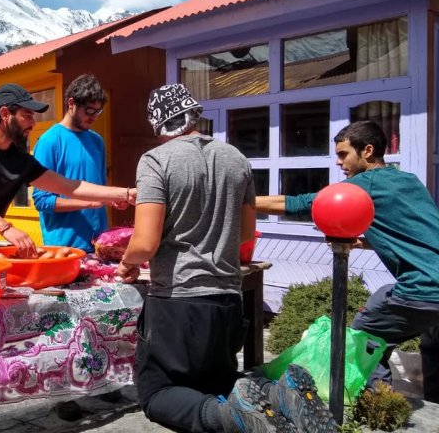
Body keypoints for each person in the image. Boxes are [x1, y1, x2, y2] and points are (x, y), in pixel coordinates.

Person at [115, 84, 334, 432]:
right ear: (194, 115)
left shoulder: (156, 160)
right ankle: (278, 396)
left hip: (178, 301)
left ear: (158, 125)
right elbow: (245, 233)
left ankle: (232, 417)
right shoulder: (236, 159)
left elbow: (144, 243)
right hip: (227, 301)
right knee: (215, 387)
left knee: (158, 394)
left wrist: (127, 263)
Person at [256, 120, 439, 403]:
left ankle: (378, 405)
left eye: (343, 154)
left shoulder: (365, 185)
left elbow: (301, 203)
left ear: (367, 151)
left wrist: (244, 201)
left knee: (364, 337)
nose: (339, 162)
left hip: (422, 288)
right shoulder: (408, 181)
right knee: (433, 343)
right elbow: (416, 233)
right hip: (433, 288)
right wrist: (365, 242)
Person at [0, 83, 136, 259]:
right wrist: (5, 228)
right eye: (27, 115)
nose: (33, 123)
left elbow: (71, 186)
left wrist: (125, 193)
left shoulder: (20, 160)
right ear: (5, 113)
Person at [32, 74, 112, 253]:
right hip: (64, 248)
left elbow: (100, 189)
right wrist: (88, 203)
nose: (94, 117)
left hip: (100, 244)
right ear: (71, 103)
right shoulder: (49, 141)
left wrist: (112, 199)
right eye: (89, 110)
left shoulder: (97, 141)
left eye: (98, 111)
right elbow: (42, 201)